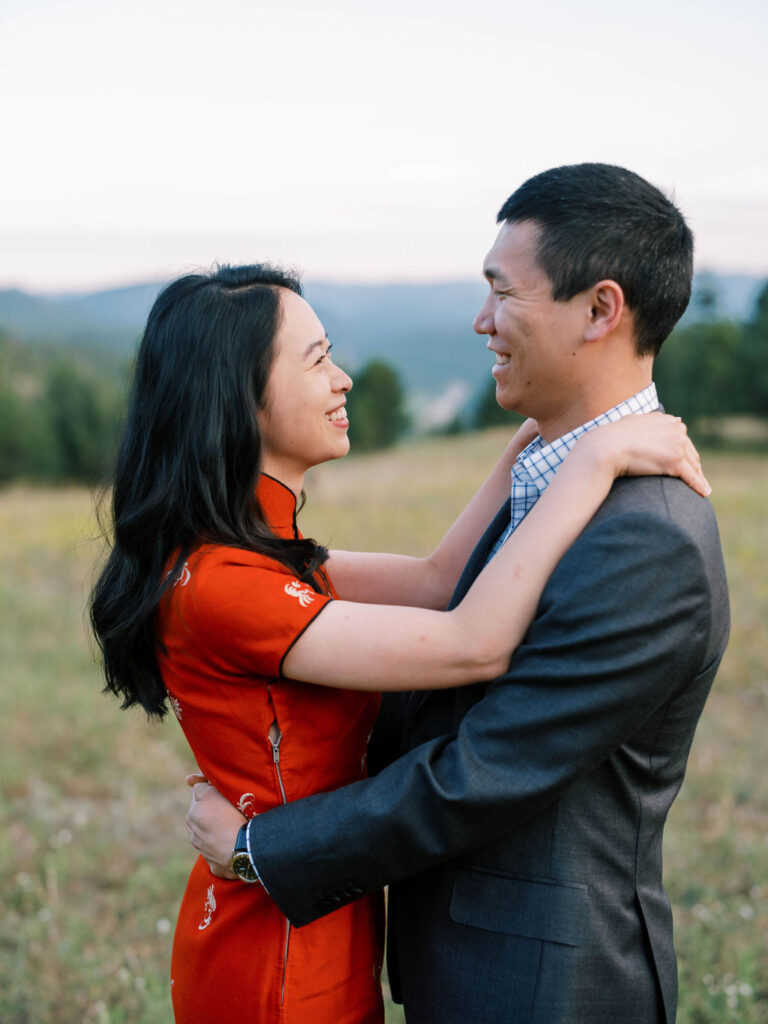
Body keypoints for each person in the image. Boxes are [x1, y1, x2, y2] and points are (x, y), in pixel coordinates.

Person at [185, 164, 730, 1024]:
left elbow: (485, 771)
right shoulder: (558, 474)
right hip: (468, 964)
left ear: (600, 310)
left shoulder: (646, 537)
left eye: (501, 293)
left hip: (545, 989)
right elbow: (439, 599)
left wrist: (263, 848)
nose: (480, 321)